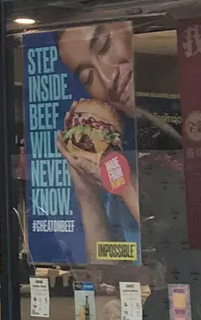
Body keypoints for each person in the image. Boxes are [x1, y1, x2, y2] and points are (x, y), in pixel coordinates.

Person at [54, 23, 141, 261]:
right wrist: (86, 190)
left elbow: (177, 246)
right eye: (87, 77)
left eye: (104, 45)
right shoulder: (120, 158)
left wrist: (123, 184)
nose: (106, 78)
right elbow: (106, 275)